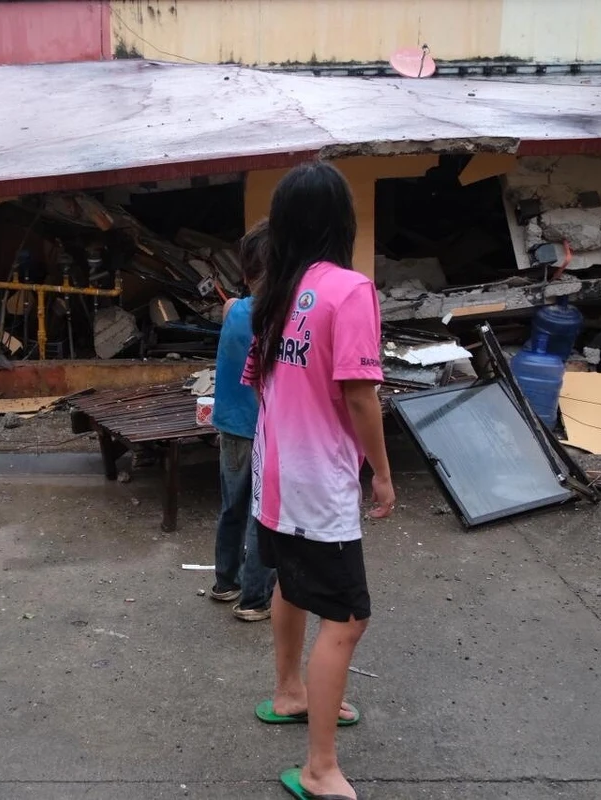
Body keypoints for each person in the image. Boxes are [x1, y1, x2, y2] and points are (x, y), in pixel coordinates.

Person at [244, 161, 395, 800]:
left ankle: (289, 692)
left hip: (273, 476)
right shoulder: (348, 289)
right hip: (317, 485)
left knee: (291, 584)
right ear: (342, 219)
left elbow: (260, 384)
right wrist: (383, 475)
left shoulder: (276, 291)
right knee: (349, 617)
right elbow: (360, 396)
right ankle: (320, 769)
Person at [210, 220, 276, 622]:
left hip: (230, 426)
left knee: (232, 506)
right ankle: (255, 599)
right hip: (267, 428)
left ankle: (224, 582)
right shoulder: (282, 318)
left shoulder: (231, 309)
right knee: (263, 514)